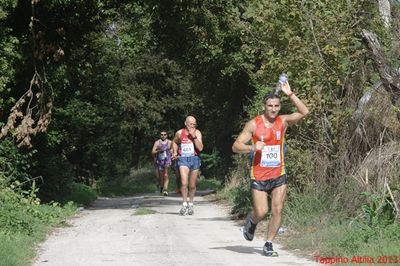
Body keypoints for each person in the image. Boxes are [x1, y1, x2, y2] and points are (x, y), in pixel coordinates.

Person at [232, 80, 309, 257]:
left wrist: (290, 93)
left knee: (277, 209)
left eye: (276, 106)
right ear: (264, 107)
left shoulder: (283, 121)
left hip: (278, 173)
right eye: (270, 106)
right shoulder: (253, 124)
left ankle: (268, 243)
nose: (273, 109)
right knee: (262, 211)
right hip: (259, 175)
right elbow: (236, 146)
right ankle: (252, 222)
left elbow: (305, 112)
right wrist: (252, 148)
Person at [172, 116, 203, 215]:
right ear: (186, 123)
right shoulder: (180, 133)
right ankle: (184, 203)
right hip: (183, 159)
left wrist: (194, 137)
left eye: (194, 124)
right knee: (184, 183)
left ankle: (191, 204)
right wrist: (175, 152)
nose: (192, 126)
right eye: (191, 124)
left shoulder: (197, 133)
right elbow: (174, 142)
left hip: (194, 159)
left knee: (192, 185)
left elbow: (200, 148)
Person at [152, 131, 173, 196]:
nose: (163, 136)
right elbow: (153, 152)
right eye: (161, 135)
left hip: (167, 160)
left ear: (167, 135)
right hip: (160, 161)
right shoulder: (157, 142)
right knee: (160, 177)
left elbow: (173, 149)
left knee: (166, 175)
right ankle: (161, 187)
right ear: (160, 135)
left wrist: (172, 153)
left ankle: (165, 190)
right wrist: (158, 151)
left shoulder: (170, 142)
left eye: (164, 134)